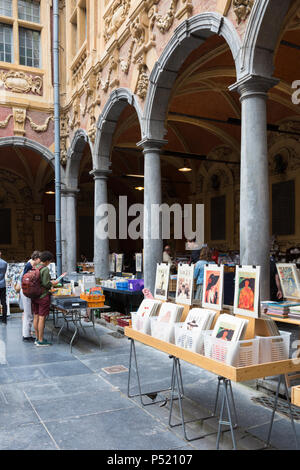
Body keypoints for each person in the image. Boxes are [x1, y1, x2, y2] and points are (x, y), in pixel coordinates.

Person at [32, 251, 63, 347]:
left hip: (35, 295)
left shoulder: (35, 267)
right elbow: (46, 284)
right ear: (47, 261)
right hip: (43, 296)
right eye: (49, 261)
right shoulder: (44, 269)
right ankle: (41, 340)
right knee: (42, 318)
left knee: (36, 316)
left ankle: (37, 338)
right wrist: (52, 283)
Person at [20, 251, 41, 341]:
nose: (40, 262)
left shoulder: (30, 264)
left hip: (26, 291)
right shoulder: (29, 266)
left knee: (28, 314)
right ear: (36, 259)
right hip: (26, 291)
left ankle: (26, 334)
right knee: (28, 314)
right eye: (40, 259)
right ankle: (26, 336)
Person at [0, 251, 8, 324]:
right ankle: (4, 319)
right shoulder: (5, 263)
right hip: (2, 284)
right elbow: (4, 273)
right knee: (3, 302)